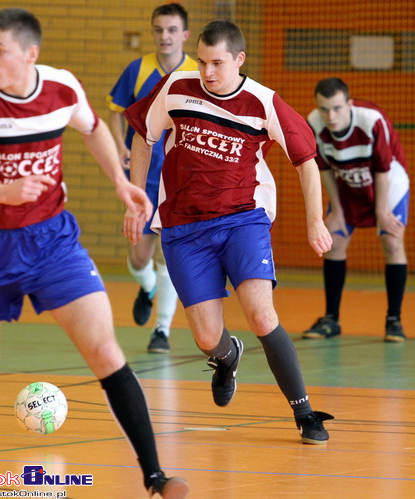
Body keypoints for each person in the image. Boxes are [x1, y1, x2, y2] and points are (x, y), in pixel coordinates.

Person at [0, 8, 188, 498]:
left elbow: (91, 128)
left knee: (106, 350)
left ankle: (154, 476)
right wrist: (2, 192)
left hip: (52, 241)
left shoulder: (61, 87)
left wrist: (122, 184)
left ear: (30, 54)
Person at [123, 19, 334, 444]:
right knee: (205, 336)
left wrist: (315, 220)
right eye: (202, 61)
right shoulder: (177, 86)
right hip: (183, 225)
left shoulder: (263, 102)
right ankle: (226, 356)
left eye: (217, 63)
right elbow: (144, 136)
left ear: (239, 59)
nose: (207, 71)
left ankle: (305, 412)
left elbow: (306, 159)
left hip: (243, 218)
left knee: (260, 312)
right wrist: (136, 197)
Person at [107, 3, 196, 353]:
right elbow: (115, 112)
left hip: (181, 182)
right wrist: (119, 146)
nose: (165, 36)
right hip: (142, 179)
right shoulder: (138, 68)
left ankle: (162, 331)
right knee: (139, 258)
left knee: (169, 259)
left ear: (184, 34)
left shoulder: (196, 71)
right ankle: (147, 288)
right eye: (159, 29)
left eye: (172, 30)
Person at [303, 77, 410, 343]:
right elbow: (324, 169)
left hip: (387, 184)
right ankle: (331, 319)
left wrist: (382, 211)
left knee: (393, 243)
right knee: (334, 241)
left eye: (337, 108)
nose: (331, 115)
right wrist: (336, 209)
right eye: (324, 108)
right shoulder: (314, 123)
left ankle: (394, 320)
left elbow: (383, 169)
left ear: (349, 104)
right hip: (349, 184)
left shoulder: (371, 120)